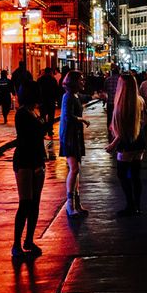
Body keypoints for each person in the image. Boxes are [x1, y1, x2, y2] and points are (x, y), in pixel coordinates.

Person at [11, 81, 46, 258]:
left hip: (38, 158)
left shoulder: (34, 111)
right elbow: (29, 138)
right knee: (25, 202)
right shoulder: (22, 114)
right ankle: (16, 244)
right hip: (25, 160)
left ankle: (29, 240)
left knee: (35, 203)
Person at [107, 74, 147, 216]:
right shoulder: (140, 100)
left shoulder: (122, 104)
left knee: (122, 174)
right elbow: (144, 121)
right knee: (136, 175)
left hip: (127, 144)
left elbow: (123, 130)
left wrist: (112, 144)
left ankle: (130, 205)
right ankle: (137, 206)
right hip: (139, 141)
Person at [59, 70, 89, 216]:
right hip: (69, 136)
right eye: (81, 79)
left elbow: (84, 97)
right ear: (74, 81)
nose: (83, 82)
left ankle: (77, 203)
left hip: (76, 136)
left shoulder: (75, 96)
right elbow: (67, 116)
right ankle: (70, 204)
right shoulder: (68, 96)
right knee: (74, 168)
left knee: (77, 169)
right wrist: (82, 119)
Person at [37, 67, 62, 138]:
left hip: (42, 100)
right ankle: (50, 130)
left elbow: (37, 90)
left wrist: (38, 100)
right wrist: (56, 99)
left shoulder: (40, 80)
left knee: (43, 116)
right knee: (51, 116)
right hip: (51, 100)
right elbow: (56, 90)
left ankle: (44, 129)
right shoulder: (52, 80)